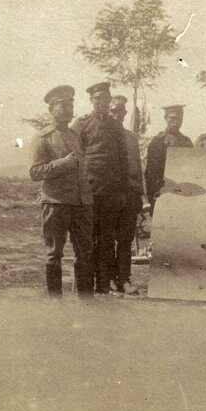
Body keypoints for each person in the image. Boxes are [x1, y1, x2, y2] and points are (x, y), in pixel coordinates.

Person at [29, 84, 93, 297]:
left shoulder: (76, 136)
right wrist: (63, 163)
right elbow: (35, 172)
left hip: (81, 204)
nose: (68, 109)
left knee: (85, 253)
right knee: (54, 254)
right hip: (56, 203)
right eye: (62, 105)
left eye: (71, 104)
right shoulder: (43, 138)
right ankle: (55, 303)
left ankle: (86, 302)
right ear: (51, 109)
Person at [71, 81, 129, 295]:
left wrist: (122, 191)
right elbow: (75, 157)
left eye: (105, 99)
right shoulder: (82, 124)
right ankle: (86, 287)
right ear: (91, 101)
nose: (102, 103)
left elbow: (123, 160)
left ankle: (103, 285)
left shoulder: (116, 127)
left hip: (111, 193)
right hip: (88, 191)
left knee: (106, 240)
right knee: (87, 240)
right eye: (98, 99)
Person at [109, 95, 144, 295]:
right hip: (109, 194)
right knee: (106, 239)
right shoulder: (102, 135)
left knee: (125, 239)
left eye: (120, 110)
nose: (117, 114)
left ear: (125, 113)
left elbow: (137, 168)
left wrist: (141, 195)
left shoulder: (131, 138)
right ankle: (108, 278)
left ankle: (124, 278)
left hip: (129, 194)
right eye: (113, 110)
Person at [144, 104, 194, 212]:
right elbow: (151, 173)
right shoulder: (158, 141)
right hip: (163, 192)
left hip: (183, 193)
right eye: (172, 118)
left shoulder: (187, 142)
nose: (176, 121)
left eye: (179, 118)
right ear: (165, 118)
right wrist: (154, 195)